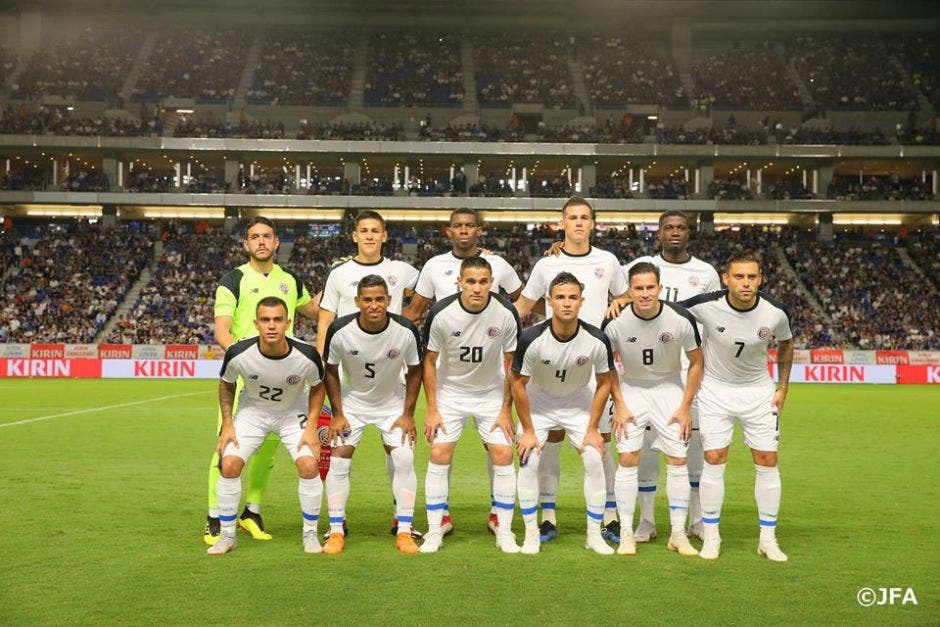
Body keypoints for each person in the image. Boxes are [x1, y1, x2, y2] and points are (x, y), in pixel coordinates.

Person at [515, 196, 628, 544]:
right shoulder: (546, 264)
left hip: (594, 360)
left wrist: (617, 302)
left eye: (584, 218)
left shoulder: (607, 261)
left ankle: (610, 515)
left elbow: (625, 296)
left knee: (601, 441)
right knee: (549, 441)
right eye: (572, 218)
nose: (578, 223)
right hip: (552, 361)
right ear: (561, 223)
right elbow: (523, 305)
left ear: (593, 224)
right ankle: (547, 515)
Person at [404, 207, 523, 535]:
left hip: (489, 381)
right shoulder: (435, 273)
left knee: (498, 449)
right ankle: (438, 519)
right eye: (458, 225)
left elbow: (524, 300)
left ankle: (500, 517)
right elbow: (415, 314)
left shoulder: (499, 276)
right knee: (442, 449)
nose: (477, 286)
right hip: (449, 380)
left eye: (470, 225)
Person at [205, 217, 319, 545]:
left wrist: (338, 290)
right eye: (254, 237)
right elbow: (222, 329)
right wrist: (245, 361)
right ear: (246, 244)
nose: (261, 242)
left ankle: (251, 511)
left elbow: (311, 309)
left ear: (276, 241)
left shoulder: (290, 280)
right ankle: (214, 516)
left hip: (286, 379)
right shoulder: (233, 280)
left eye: (267, 236)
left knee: (268, 453)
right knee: (227, 448)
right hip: (247, 377)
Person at [615, 210, 720, 543]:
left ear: (689, 232)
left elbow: (716, 318)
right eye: (668, 228)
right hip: (643, 372)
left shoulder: (705, 272)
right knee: (642, 450)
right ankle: (646, 520)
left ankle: (697, 521)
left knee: (690, 450)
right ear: (658, 233)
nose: (674, 233)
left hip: (688, 373)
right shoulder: (640, 266)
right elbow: (617, 298)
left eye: (680, 228)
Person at [681, 253, 793, 561]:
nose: (746, 283)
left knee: (768, 459)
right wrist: (623, 300)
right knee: (714, 458)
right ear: (726, 278)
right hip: (715, 391)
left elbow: (786, 343)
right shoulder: (706, 305)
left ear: (760, 279)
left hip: (758, 392)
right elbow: (667, 311)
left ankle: (768, 538)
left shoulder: (775, 312)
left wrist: (783, 387)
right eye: (740, 277)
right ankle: (712, 535)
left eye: (752, 277)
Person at [316, 210, 419, 537]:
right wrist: (321, 364)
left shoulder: (401, 270)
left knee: (399, 454)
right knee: (339, 455)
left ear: (385, 236)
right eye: (364, 230)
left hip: (392, 368)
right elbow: (325, 319)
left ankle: (401, 519)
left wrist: (478, 256)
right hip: (349, 375)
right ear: (355, 236)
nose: (371, 236)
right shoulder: (339, 273)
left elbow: (435, 284)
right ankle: (337, 524)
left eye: (376, 230)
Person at [207, 297, 326, 555]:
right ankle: (227, 536)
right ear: (256, 323)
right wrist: (227, 424)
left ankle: (310, 534)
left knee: (308, 464)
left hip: (293, 413)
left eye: (277, 320)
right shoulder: (238, 353)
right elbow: (226, 384)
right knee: (229, 464)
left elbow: (318, 387)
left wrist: (312, 427)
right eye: (265, 320)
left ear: (288, 323)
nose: (271, 325)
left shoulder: (306, 355)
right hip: (253, 412)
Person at [420, 256, 521, 554]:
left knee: (503, 453)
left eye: (483, 282)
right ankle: (436, 528)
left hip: (490, 395)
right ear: (459, 282)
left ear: (491, 283)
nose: (477, 288)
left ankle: (502, 527)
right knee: (439, 451)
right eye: (471, 281)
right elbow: (429, 361)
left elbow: (511, 363)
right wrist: (433, 409)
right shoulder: (441, 313)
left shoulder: (505, 313)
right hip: (450, 394)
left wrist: (505, 410)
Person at [513, 272, 617, 555]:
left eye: (573, 297)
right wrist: (529, 431)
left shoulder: (596, 339)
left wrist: (593, 428)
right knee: (529, 459)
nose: (567, 303)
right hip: (539, 403)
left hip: (577, 402)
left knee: (595, 458)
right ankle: (532, 534)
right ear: (549, 301)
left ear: (582, 301)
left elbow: (606, 380)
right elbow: (518, 385)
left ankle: (594, 534)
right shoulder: (531, 338)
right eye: (560, 297)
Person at [603, 262, 703, 556]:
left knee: (677, 458)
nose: (645, 294)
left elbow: (697, 361)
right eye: (638, 288)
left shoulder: (680, 319)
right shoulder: (615, 321)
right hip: (630, 388)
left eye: (650, 287)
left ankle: (677, 533)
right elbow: (605, 366)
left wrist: (685, 406)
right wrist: (619, 403)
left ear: (659, 287)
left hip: (669, 387)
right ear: (629, 291)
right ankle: (625, 534)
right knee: (628, 457)